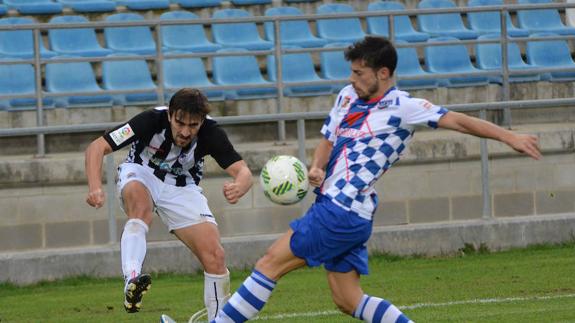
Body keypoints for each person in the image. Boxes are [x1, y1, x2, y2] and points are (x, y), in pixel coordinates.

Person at [211, 36, 541, 323]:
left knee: (269, 262)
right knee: (347, 300)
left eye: (359, 73)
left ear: (382, 74)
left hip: (340, 212)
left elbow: (460, 122)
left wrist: (509, 136)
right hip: (346, 211)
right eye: (351, 72)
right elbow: (328, 137)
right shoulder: (346, 96)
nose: (352, 79)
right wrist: (316, 167)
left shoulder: (404, 107)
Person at [84, 88, 253, 319]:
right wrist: (95, 186)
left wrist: (241, 185)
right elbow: (97, 147)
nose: (185, 131)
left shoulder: (211, 132)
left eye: (193, 126)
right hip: (141, 172)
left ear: (201, 122)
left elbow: (242, 171)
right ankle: (132, 279)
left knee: (215, 257)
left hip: (182, 186)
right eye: (180, 123)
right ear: (170, 114)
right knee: (141, 210)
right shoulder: (150, 120)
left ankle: (219, 319)